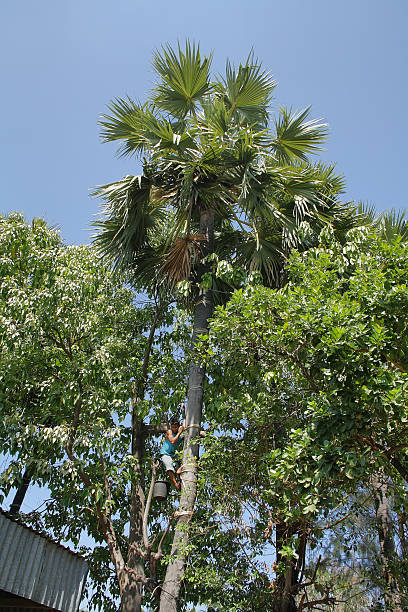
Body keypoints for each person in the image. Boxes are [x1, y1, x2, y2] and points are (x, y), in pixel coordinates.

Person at [160, 417, 184, 491]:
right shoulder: (169, 432)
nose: (174, 429)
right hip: (165, 454)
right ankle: (176, 485)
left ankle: (179, 472)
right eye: (173, 427)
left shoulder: (180, 434)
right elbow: (173, 441)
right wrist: (179, 432)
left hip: (173, 454)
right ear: (170, 426)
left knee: (184, 460)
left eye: (176, 427)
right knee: (169, 467)